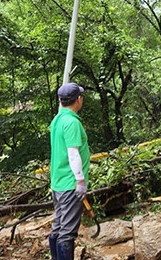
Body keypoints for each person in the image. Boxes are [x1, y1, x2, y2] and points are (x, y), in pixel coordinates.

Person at [48, 82, 90, 260]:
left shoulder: (57, 120)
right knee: (67, 233)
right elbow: (73, 154)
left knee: (58, 227)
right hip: (69, 184)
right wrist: (80, 181)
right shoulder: (71, 122)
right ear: (78, 100)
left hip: (58, 184)